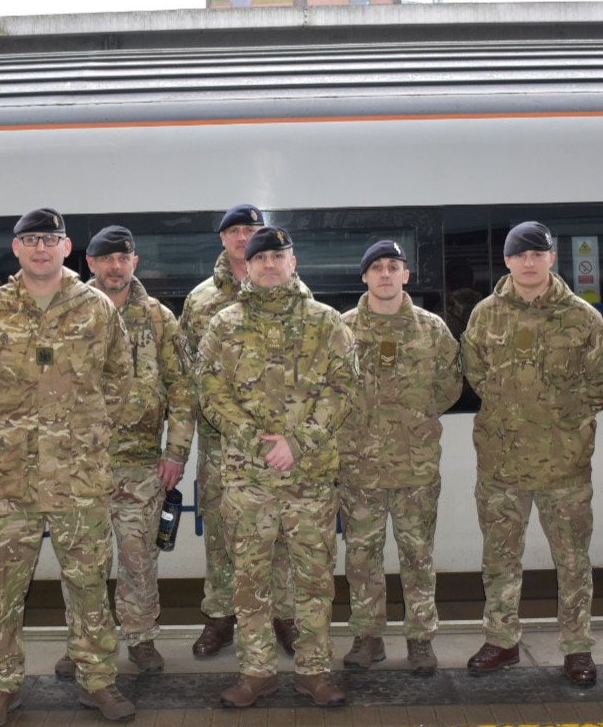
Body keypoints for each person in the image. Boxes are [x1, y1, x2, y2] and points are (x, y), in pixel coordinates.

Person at [0, 208, 135, 726]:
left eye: (52, 239)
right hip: (9, 478)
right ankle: (0, 687)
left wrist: (87, 435)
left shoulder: (97, 308)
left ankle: (97, 681)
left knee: (88, 584)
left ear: (66, 248)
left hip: (79, 477)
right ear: (16, 247)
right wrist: (2, 439)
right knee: (2, 587)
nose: (41, 247)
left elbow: (120, 380)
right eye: (31, 239)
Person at [196, 226, 356, 708]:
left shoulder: (326, 322)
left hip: (309, 478)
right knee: (251, 582)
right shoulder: (224, 324)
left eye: (277, 256)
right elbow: (210, 390)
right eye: (259, 257)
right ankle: (256, 672)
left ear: (294, 262)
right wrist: (256, 442)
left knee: (313, 581)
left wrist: (298, 443)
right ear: (248, 264)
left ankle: (314, 672)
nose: (269, 264)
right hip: (248, 480)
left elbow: (343, 388)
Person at [461, 221, 603, 686]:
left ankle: (577, 646)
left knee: (572, 561)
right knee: (500, 558)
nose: (529, 262)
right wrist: (513, 411)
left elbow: (602, 382)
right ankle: (502, 641)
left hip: (563, 466)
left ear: (551, 259)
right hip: (501, 466)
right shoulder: (485, 315)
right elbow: (475, 372)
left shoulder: (582, 317)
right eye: (520, 255)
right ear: (507, 261)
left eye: (537, 254)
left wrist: (558, 420)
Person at [70, 224, 195, 674]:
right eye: (106, 258)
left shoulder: (160, 318)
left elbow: (182, 389)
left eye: (123, 258)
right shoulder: (71, 313)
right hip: (81, 464)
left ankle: (141, 637)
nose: (115, 266)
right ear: (91, 264)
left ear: (135, 262)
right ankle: (83, 643)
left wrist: (176, 452)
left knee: (139, 558)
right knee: (83, 561)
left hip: (141, 463)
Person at [178, 204, 297, 659]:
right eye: (236, 231)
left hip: (280, 444)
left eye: (253, 230)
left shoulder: (288, 292)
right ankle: (221, 615)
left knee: (283, 532)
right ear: (223, 239)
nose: (244, 237)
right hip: (220, 443)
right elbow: (195, 374)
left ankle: (283, 617)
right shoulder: (202, 300)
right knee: (222, 533)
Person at [339, 240, 462, 675]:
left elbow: (450, 386)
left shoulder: (432, 329)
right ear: (365, 277)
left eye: (394, 266)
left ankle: (420, 639)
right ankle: (367, 637)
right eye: (377, 268)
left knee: (417, 557)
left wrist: (414, 419)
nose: (386, 274)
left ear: (406, 275)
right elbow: (330, 392)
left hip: (416, 468)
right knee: (361, 557)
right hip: (359, 469)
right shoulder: (342, 329)